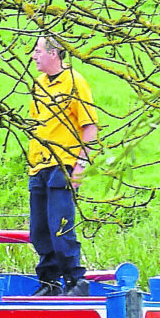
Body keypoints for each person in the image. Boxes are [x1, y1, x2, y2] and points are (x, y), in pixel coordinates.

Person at [27, 33, 99, 297]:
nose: (34, 56)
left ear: (53, 54)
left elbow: (89, 126)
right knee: (39, 229)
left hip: (63, 164)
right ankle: (48, 283)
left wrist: (81, 166)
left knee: (61, 226)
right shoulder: (38, 84)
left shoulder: (75, 82)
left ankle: (74, 280)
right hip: (39, 166)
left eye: (38, 51)